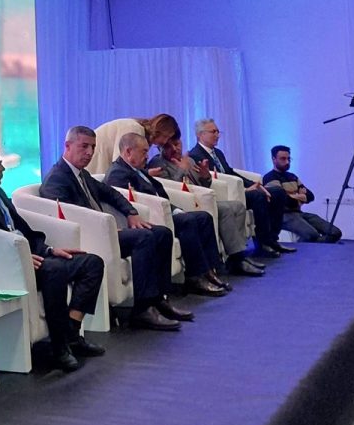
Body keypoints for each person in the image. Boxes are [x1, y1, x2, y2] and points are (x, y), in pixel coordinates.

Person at [0, 143, 105, 372]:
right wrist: (18, 257)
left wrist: (48, 250)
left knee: (91, 263)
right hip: (6, 267)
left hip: (31, 257)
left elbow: (21, 229)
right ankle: (59, 347)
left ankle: (71, 333)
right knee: (55, 270)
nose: (2, 169)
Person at [41, 125, 188, 331]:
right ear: (67, 146)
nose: (90, 152)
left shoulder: (82, 174)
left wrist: (131, 212)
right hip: (91, 237)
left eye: (93, 147)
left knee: (161, 233)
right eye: (84, 146)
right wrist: (106, 228)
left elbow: (111, 194)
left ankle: (159, 298)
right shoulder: (57, 178)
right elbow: (67, 216)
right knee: (143, 237)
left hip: (106, 231)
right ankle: (143, 309)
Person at [106, 132, 229, 297]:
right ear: (128, 152)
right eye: (144, 152)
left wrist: (175, 209)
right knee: (187, 221)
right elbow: (129, 199)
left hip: (164, 209)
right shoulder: (118, 173)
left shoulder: (137, 169)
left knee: (203, 217)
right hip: (151, 216)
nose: (147, 156)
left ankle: (210, 271)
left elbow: (157, 193)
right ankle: (195, 277)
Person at [149, 133, 264, 277]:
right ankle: (237, 258)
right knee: (225, 210)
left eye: (177, 144)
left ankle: (238, 253)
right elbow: (168, 188)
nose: (175, 149)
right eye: (168, 146)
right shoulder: (158, 163)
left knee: (237, 206)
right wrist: (181, 170)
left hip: (202, 199)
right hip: (184, 204)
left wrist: (205, 176)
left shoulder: (189, 160)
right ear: (160, 148)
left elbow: (203, 185)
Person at [191, 118, 290, 256]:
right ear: (201, 134)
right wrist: (245, 189)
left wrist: (254, 184)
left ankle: (273, 238)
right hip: (226, 194)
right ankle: (263, 243)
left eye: (218, 132)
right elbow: (213, 179)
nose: (217, 135)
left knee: (278, 192)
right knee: (258, 196)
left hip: (237, 189)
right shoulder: (195, 155)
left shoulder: (217, 153)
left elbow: (230, 172)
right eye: (213, 132)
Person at [262, 145, 343, 242]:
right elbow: (286, 201)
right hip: (283, 216)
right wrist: (300, 196)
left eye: (289, 159)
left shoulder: (292, 177)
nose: (287, 162)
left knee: (335, 232)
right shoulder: (270, 178)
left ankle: (308, 246)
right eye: (283, 159)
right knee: (312, 235)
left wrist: (292, 195)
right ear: (274, 159)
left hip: (299, 213)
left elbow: (310, 196)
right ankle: (308, 247)